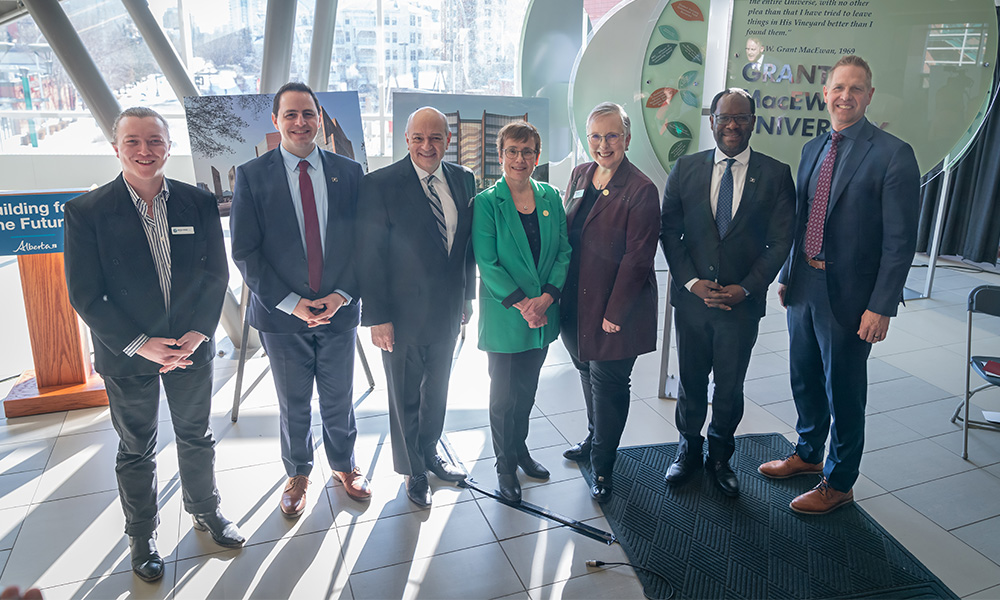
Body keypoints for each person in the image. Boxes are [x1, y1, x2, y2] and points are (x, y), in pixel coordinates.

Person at [64, 107, 244, 583]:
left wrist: (201, 331)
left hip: (190, 347)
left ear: (168, 146)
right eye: (134, 142)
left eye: (155, 142)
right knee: (136, 448)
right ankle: (141, 535)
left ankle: (206, 511)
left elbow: (215, 275)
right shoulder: (87, 211)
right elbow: (85, 294)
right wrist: (141, 344)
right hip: (128, 354)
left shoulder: (197, 203)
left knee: (196, 436)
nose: (145, 151)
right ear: (116, 148)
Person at [758, 55, 920, 514]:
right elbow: (803, 218)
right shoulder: (813, 149)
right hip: (805, 282)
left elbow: (900, 240)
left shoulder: (893, 153)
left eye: (856, 88)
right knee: (804, 376)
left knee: (844, 388)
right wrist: (789, 274)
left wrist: (882, 305)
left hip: (851, 296)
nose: (845, 95)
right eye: (838, 87)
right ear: (825, 94)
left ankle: (840, 479)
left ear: (869, 96)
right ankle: (808, 455)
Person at [230, 82, 371, 518]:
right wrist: (292, 302)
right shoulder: (252, 176)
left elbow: (362, 244)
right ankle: (297, 473)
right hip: (280, 314)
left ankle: (344, 466)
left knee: (339, 394)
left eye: (308, 113)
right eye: (290, 114)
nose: (300, 122)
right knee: (293, 401)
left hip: (338, 309)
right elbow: (245, 252)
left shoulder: (348, 172)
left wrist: (342, 294)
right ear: (276, 120)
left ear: (319, 119)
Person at [659, 88, 795, 497]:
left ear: (754, 121)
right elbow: (670, 232)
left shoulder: (775, 174)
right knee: (691, 383)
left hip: (741, 306)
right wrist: (691, 283)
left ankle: (721, 457)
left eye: (741, 117)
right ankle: (688, 450)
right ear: (712, 121)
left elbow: (781, 241)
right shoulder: (685, 169)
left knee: (730, 387)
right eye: (724, 117)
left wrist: (747, 288)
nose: (732, 125)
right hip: (693, 303)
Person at [357, 107, 477, 508]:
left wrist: (466, 297)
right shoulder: (379, 185)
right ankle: (413, 471)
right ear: (405, 139)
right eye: (419, 138)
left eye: (436, 138)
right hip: (400, 315)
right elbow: (369, 257)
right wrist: (377, 318)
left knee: (437, 391)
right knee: (405, 394)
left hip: (446, 310)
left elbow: (466, 249)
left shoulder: (463, 179)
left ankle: (430, 452)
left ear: (448, 140)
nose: (428, 146)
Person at [560, 102, 660, 503]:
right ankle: (594, 437)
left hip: (614, 310)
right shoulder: (580, 174)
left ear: (627, 139)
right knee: (586, 371)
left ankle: (603, 466)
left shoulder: (641, 189)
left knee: (610, 385)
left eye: (612, 135)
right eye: (596, 136)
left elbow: (638, 259)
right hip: (576, 304)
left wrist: (614, 314)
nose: (604, 144)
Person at [472, 121, 571, 503]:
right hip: (506, 317)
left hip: (542, 317)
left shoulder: (550, 197)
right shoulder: (485, 203)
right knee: (502, 397)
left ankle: (521, 449)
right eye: (512, 151)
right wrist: (523, 305)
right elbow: (488, 261)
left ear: (537, 156)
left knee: (527, 392)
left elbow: (563, 251)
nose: (519, 158)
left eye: (527, 151)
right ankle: (503, 465)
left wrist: (545, 300)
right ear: (500, 157)